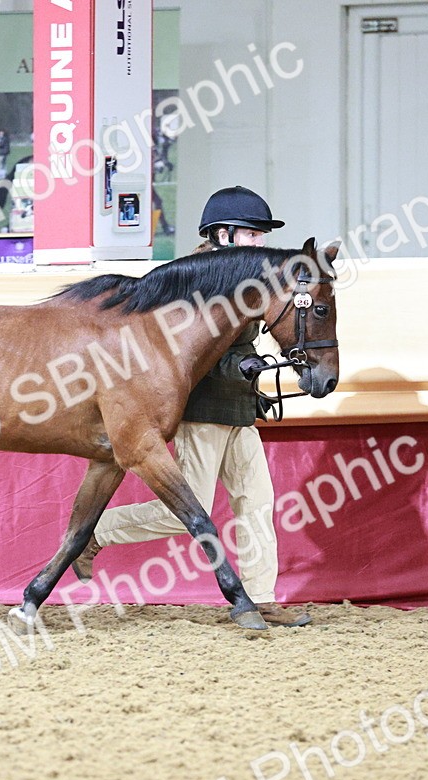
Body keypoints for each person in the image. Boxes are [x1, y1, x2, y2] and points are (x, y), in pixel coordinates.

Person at [73, 185, 312, 627]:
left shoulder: (246, 282)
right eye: (253, 235)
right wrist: (239, 364)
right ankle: (92, 533)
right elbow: (180, 356)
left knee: (257, 501)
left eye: (262, 236)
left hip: (239, 410)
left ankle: (261, 597)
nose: (261, 243)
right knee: (183, 507)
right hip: (202, 411)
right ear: (223, 234)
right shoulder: (192, 280)